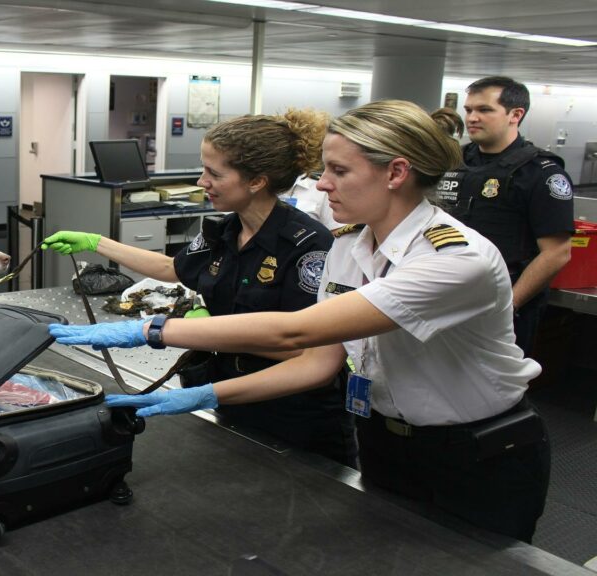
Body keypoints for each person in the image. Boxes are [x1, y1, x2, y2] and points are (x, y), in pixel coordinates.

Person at [49, 100, 550, 543]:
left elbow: (297, 331)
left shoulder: (452, 259)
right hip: (381, 441)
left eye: (337, 170)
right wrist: (205, 395)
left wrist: (150, 331)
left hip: (474, 451)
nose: (320, 183)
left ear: (396, 173)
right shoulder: (352, 246)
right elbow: (316, 363)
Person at [44, 110, 356, 468]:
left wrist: (199, 331)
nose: (201, 180)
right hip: (230, 397)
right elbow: (171, 268)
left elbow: (304, 354)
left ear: (256, 181)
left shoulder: (306, 246)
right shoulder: (224, 231)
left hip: (293, 416)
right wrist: (96, 242)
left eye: (214, 173)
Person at [435, 76, 573, 357]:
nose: (472, 117)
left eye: (484, 110)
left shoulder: (540, 172)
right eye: (469, 109)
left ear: (515, 115)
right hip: (448, 292)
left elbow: (557, 252)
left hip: (504, 299)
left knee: (496, 389)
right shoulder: (453, 163)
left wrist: (510, 304)